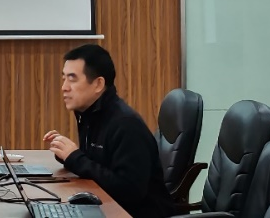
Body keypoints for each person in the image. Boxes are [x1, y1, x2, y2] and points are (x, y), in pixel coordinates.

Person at [43, 44, 175, 218]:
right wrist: (67, 155)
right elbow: (98, 164)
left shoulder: (126, 124)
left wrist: (76, 158)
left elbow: (130, 190)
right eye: (64, 79)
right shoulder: (90, 114)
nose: (64, 87)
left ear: (98, 84)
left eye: (72, 79)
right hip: (108, 207)